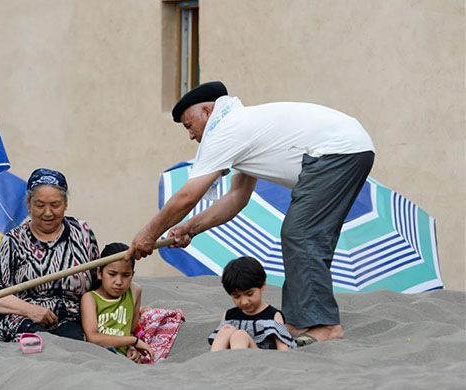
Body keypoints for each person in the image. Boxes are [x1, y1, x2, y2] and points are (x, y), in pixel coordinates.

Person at [127, 81, 375, 344]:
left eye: (189, 126)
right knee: (300, 234)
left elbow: (188, 196)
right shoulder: (242, 127)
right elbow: (236, 199)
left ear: (208, 112)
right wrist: (190, 228)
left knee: (300, 234)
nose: (190, 135)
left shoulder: (226, 130)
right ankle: (299, 323)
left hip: (338, 151)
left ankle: (325, 326)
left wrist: (148, 234)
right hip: (348, 148)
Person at [0, 168, 99, 342]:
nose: (48, 213)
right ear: (28, 204)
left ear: (66, 204)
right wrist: (31, 310)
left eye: (55, 205)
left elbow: (98, 283)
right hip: (23, 319)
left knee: (74, 342)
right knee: (37, 341)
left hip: (71, 319)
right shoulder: (13, 241)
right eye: (40, 205)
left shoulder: (82, 233)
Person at [80, 243, 154, 363]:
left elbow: (131, 328)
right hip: (98, 356)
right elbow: (93, 337)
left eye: (126, 275)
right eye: (112, 274)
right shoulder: (90, 298)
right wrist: (133, 341)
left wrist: (131, 349)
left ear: (132, 274)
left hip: (123, 357)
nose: (119, 282)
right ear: (100, 273)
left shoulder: (135, 292)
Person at [209, 256, 295, 351]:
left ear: (263, 285)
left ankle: (237, 362)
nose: (244, 302)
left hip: (257, 358)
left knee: (240, 335)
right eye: (237, 296)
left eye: (249, 294)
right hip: (227, 357)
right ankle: (214, 361)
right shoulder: (229, 315)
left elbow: (283, 347)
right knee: (226, 329)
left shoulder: (273, 315)